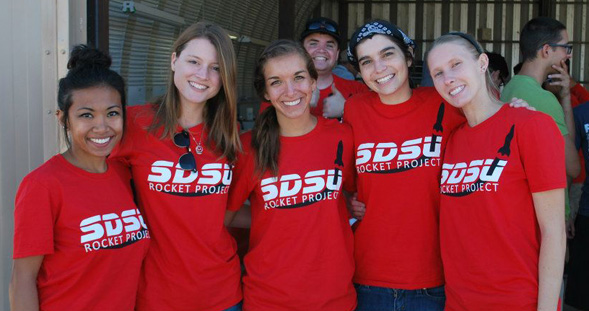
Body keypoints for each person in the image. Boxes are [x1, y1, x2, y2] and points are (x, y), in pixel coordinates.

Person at [427, 32, 566, 311]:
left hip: (517, 300)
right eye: (438, 73)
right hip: (458, 302)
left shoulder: (531, 126)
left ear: (481, 63)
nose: (448, 78)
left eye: (456, 64)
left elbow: (554, 231)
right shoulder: (450, 140)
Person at [110, 22, 243, 311]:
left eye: (216, 68)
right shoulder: (134, 124)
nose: (203, 75)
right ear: (173, 61)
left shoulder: (228, 132)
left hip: (222, 293)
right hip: (158, 294)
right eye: (193, 61)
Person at [10, 45, 150, 310]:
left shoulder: (123, 173)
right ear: (63, 119)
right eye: (86, 115)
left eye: (112, 113)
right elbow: (22, 280)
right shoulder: (43, 185)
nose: (102, 126)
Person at [344, 20, 466, 311]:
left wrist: (517, 107)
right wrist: (352, 201)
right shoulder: (355, 110)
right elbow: (345, 180)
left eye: (388, 55)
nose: (379, 68)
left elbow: (490, 127)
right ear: (359, 72)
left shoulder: (445, 103)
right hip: (368, 277)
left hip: (434, 278)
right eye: (367, 61)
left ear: (408, 57)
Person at [226, 39, 356, 311]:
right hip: (269, 299)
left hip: (334, 298)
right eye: (276, 82)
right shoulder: (249, 148)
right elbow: (226, 214)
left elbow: (356, 195)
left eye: (299, 78)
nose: (290, 91)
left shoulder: (342, 136)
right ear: (265, 93)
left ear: (312, 82)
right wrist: (273, 217)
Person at [501, 17, 580, 220]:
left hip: (525, 208)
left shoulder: (510, 88)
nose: (568, 55)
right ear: (546, 50)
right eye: (565, 48)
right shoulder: (542, 99)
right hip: (547, 214)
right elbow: (573, 167)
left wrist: (564, 96)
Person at [259, 17, 368, 118]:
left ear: (337, 54)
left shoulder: (358, 90)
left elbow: (376, 130)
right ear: (301, 50)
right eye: (313, 44)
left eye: (329, 45)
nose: (321, 50)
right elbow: (266, 133)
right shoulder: (281, 92)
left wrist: (346, 110)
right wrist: (300, 105)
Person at [567, 100, 589, 311]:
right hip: (587, 213)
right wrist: (566, 213)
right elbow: (568, 167)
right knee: (581, 296)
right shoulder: (581, 113)